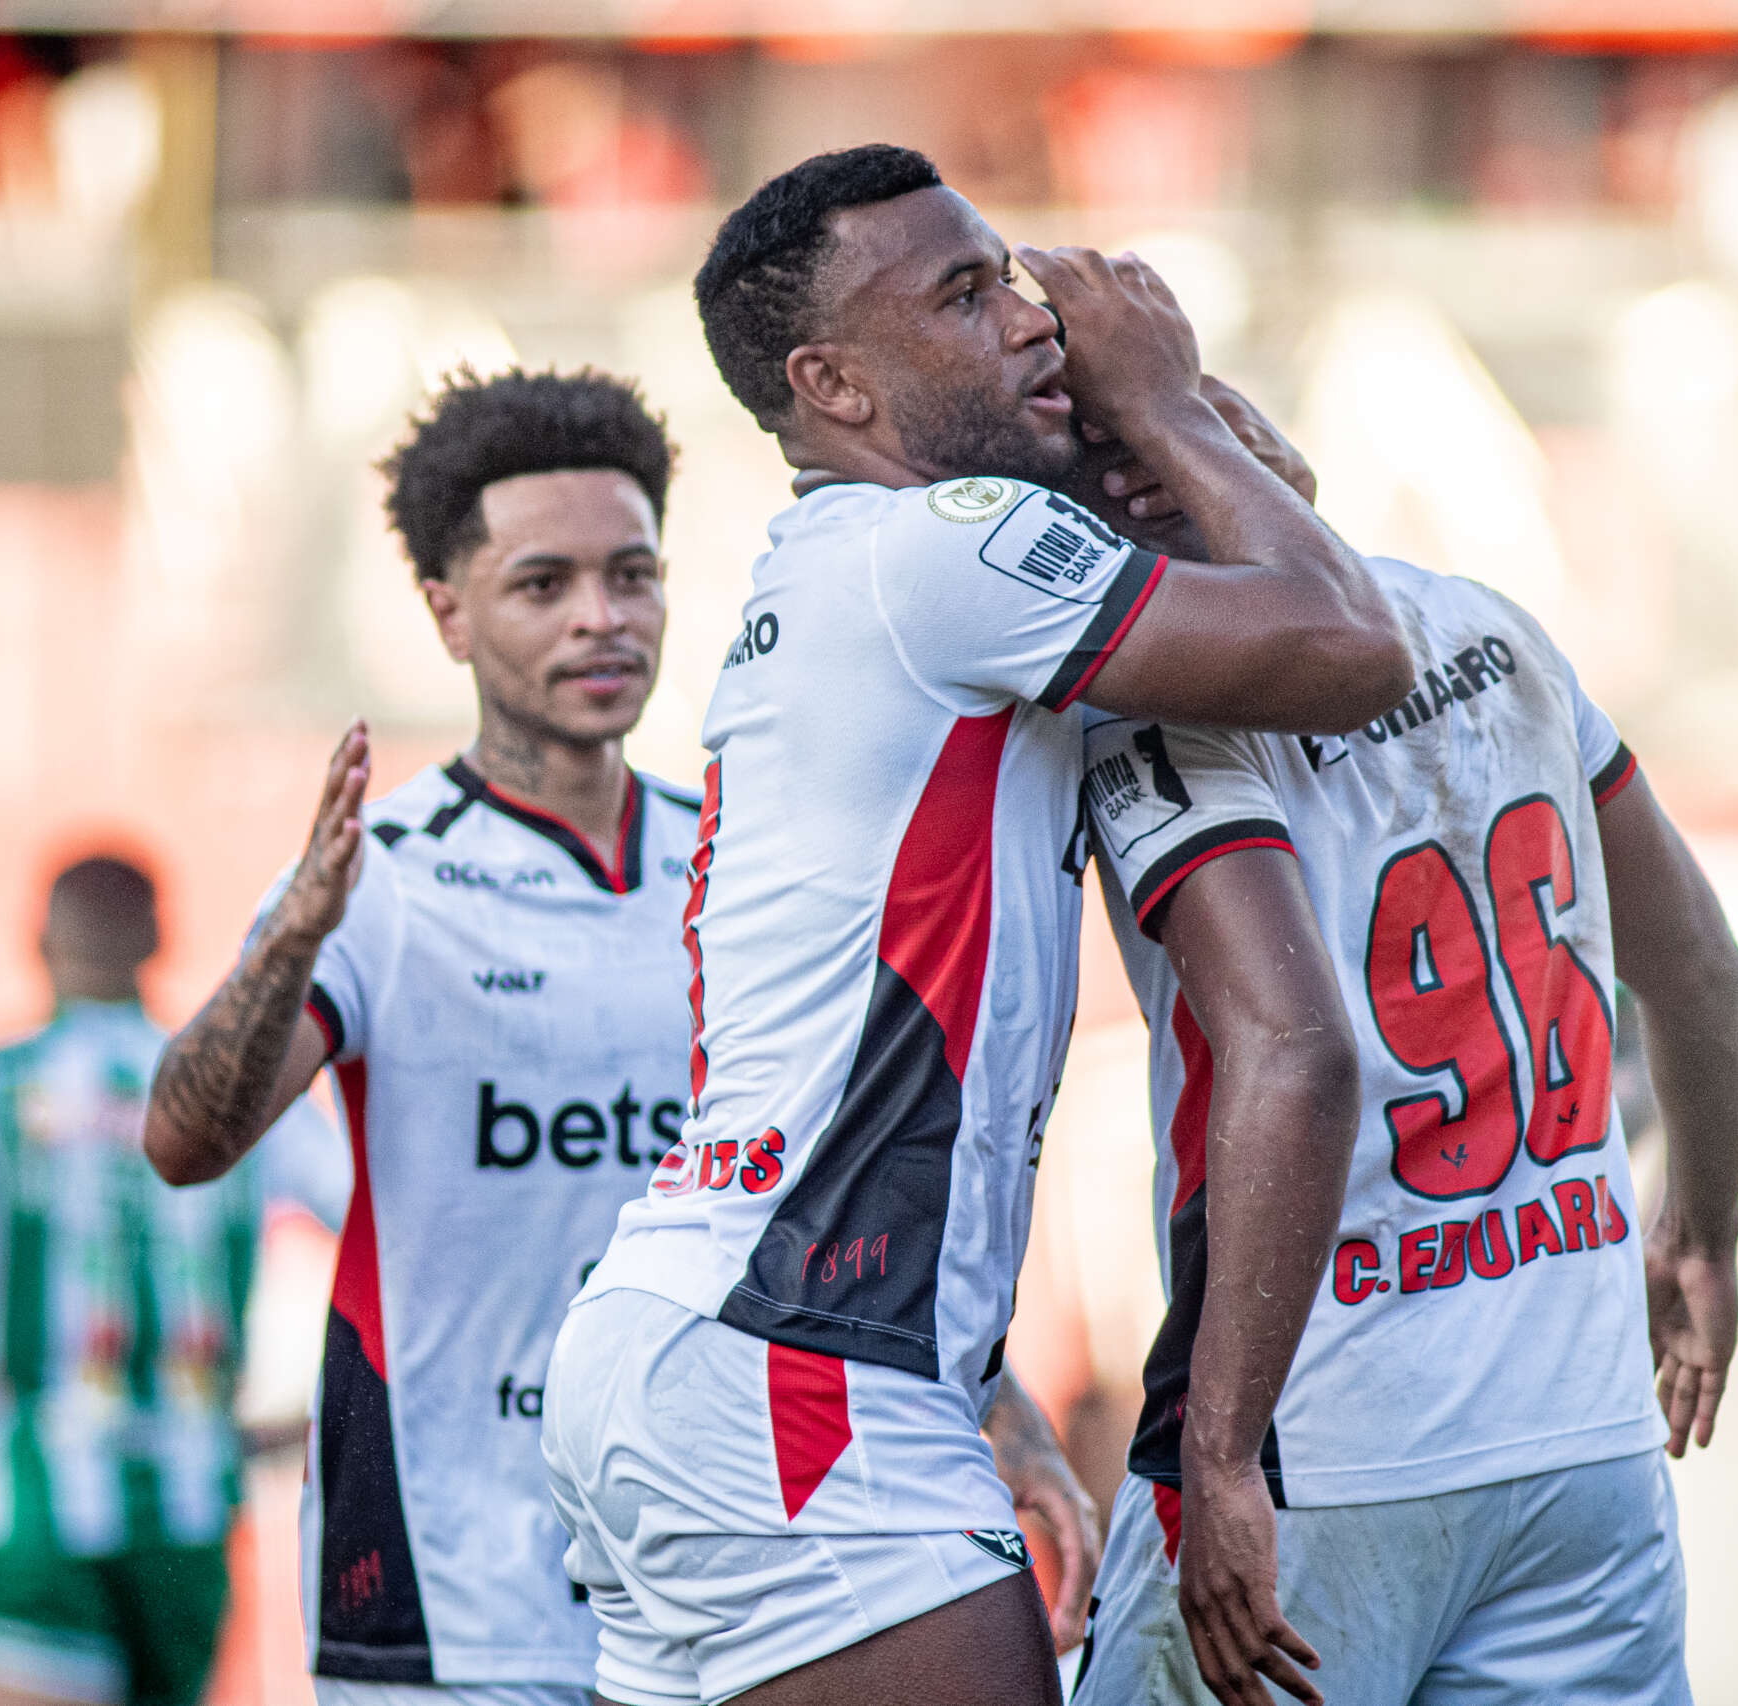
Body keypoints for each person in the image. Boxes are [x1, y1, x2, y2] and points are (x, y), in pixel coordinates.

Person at [537, 143, 1415, 1706]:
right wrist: (1161, 392)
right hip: (803, 1367)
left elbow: (1270, 514)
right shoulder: (944, 553)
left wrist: (1158, 431)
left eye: (1010, 274)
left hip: (702, 1334)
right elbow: (1350, 640)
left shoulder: (863, 565)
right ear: (838, 388)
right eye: (961, 295)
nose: (1029, 317)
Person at [139, 367, 1102, 1706]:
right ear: (447, 613)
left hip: (719, 1544)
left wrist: (1002, 1411)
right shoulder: (383, 878)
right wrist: (294, 939)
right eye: (543, 585)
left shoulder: (744, 847)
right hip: (457, 1578)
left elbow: (825, 1172)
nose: (602, 618)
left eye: (632, 574)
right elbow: (184, 1142)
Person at [1061, 418, 1738, 1706]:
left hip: (1329, 1443)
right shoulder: (1493, 630)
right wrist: (1702, 1232)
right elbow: (1701, 966)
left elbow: (1294, 1057)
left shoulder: (1160, 700)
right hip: (1582, 1440)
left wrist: (1213, 1455)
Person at [0, 853, 346, 1706]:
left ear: (37, 940)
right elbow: (382, 1242)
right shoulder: (248, 1099)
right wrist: (316, 1419)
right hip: (187, 1515)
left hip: (29, 1516)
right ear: (158, 942)